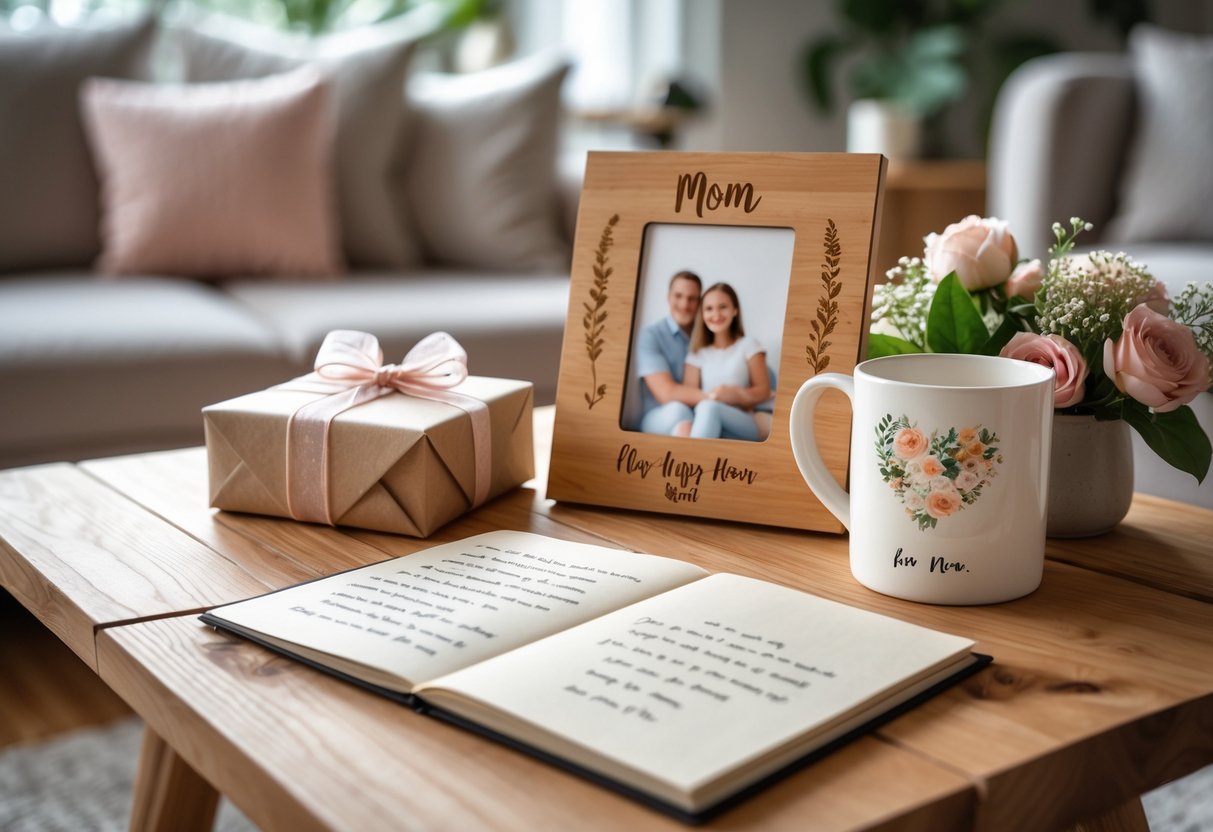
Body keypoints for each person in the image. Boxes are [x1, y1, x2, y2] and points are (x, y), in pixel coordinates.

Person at [680, 282, 772, 441]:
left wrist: (737, 395)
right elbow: (689, 395)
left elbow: (763, 390)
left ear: (734, 310)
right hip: (706, 420)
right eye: (709, 308)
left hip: (742, 421)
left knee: (709, 408)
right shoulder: (697, 354)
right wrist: (716, 396)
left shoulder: (749, 345)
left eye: (722, 307)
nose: (715, 314)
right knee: (705, 410)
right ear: (702, 314)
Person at [634, 271, 707, 434]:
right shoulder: (651, 335)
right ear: (669, 297)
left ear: (700, 301)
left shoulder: (708, 336)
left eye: (692, 298)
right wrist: (717, 397)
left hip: (700, 414)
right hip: (659, 416)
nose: (684, 304)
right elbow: (666, 393)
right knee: (679, 410)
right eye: (678, 296)